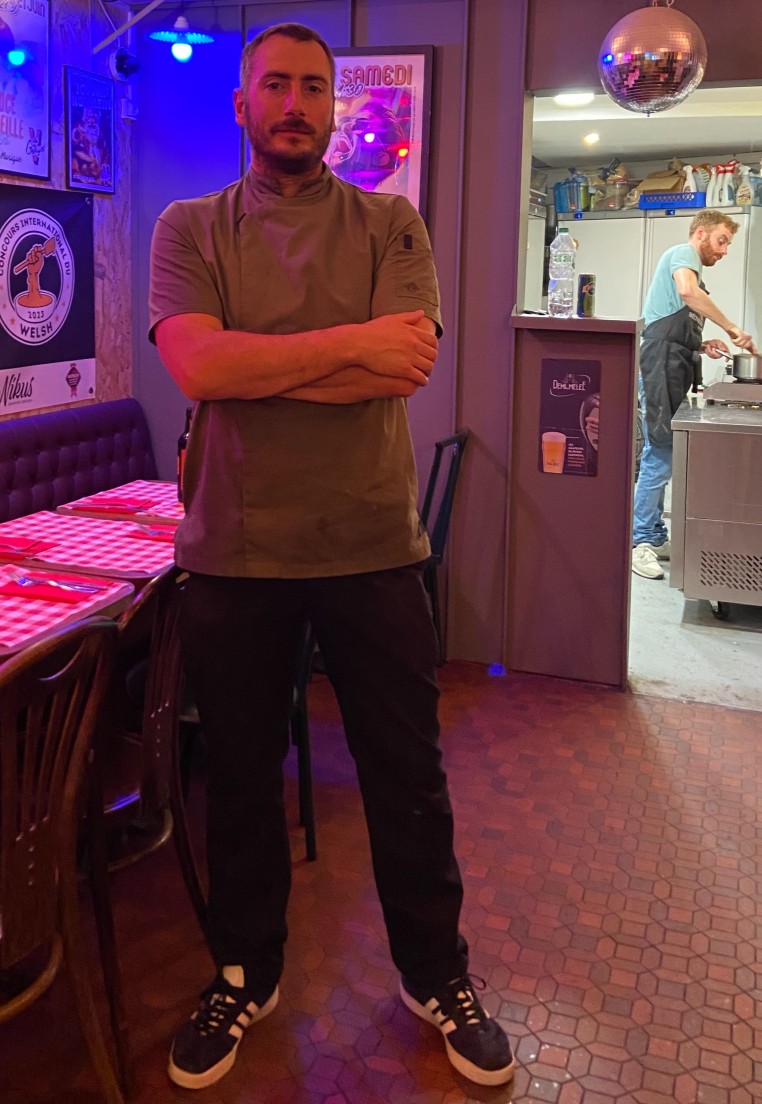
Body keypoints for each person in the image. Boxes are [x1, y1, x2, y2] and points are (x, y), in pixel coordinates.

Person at [148, 21, 513, 1093]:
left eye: (314, 87)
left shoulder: (390, 223)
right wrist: (343, 347)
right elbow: (197, 368)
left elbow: (400, 369)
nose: (295, 103)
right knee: (241, 782)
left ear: (334, 107)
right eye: (276, 84)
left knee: (408, 777)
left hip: (372, 546)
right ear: (242, 104)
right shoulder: (188, 226)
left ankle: (435, 975)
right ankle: (243, 973)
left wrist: (251, 365)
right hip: (233, 549)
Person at [631, 209, 755, 580]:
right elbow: (687, 292)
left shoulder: (692, 270)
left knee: (664, 452)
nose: (725, 250)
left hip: (671, 364)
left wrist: (701, 343)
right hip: (660, 366)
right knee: (660, 452)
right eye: (721, 241)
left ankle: (654, 535)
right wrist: (731, 327)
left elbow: (674, 321)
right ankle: (641, 541)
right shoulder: (682, 254)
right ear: (700, 233)